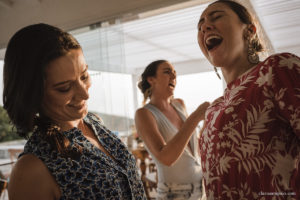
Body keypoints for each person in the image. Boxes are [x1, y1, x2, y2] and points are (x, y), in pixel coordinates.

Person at [3, 23, 146, 200]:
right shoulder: (31, 170)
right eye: (64, 88)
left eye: (84, 76)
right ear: (33, 95)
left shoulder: (95, 123)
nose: (85, 93)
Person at [197, 0, 300, 199]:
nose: (205, 26)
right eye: (200, 25)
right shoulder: (213, 110)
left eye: (216, 17)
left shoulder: (277, 69)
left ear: (250, 30)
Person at [135, 60, 210, 200]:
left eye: (175, 73)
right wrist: (195, 118)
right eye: (167, 72)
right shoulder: (144, 114)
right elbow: (166, 158)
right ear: (151, 79)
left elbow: (193, 149)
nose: (173, 76)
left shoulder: (180, 104)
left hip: (202, 191)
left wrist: (207, 122)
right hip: (174, 195)